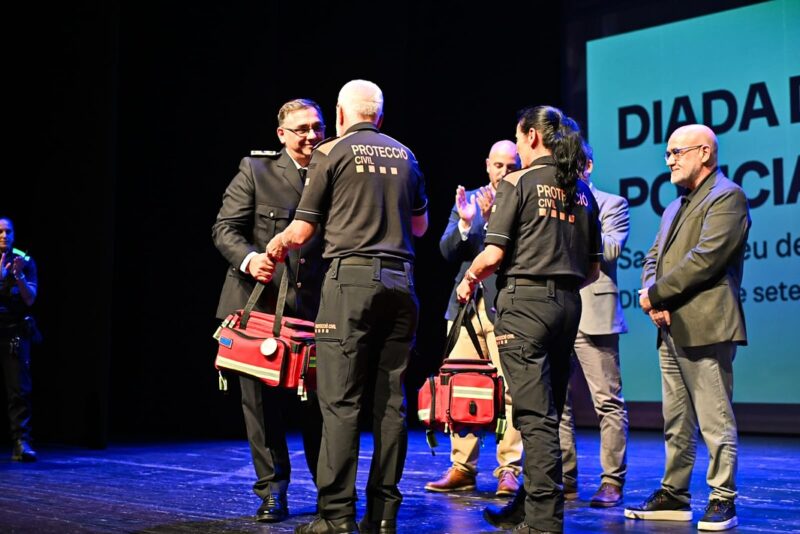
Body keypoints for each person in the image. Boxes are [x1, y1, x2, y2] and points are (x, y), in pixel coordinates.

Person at [267, 79, 428, 534]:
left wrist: (274, 246)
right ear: (378, 115)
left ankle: (336, 517)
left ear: (341, 114)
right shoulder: (407, 155)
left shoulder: (331, 153)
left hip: (350, 282)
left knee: (339, 403)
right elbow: (420, 225)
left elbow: (301, 231)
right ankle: (383, 516)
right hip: (402, 282)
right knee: (391, 406)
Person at [457, 106, 601, 533]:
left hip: (525, 307)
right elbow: (592, 269)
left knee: (534, 419)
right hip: (567, 307)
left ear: (533, 136)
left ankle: (543, 522)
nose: (518, 146)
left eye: (519, 139)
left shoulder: (518, 182)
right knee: (547, 414)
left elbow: (494, 253)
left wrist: (469, 278)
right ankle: (524, 507)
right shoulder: (582, 190)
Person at [624, 124, 750, 532]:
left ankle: (722, 497)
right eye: (667, 153)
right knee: (675, 418)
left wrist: (657, 296)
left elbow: (705, 260)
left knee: (714, 416)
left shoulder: (727, 196)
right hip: (670, 325)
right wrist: (652, 297)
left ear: (706, 154)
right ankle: (674, 494)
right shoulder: (674, 207)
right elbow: (653, 258)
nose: (670, 160)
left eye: (678, 152)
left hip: (707, 323)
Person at [211, 99, 326, 523]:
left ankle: (327, 492)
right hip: (260, 309)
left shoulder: (332, 170)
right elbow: (225, 228)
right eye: (301, 129)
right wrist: (249, 258)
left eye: (317, 127)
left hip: (315, 310)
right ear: (282, 134)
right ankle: (272, 491)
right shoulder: (256, 170)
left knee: (320, 407)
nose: (311, 135)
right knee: (260, 408)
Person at [425, 140, 523, 497]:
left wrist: (495, 218)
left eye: (511, 166)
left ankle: (508, 469)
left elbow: (515, 252)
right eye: (498, 166)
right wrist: (466, 224)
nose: (504, 172)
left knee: (511, 392)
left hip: (506, 307)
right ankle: (462, 467)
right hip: (465, 307)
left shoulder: (523, 197)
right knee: (462, 385)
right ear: (487, 165)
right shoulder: (469, 199)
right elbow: (447, 250)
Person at [557, 141, 629, 507]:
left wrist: (583, 217)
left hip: (595, 316)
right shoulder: (554, 202)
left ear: (588, 166)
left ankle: (611, 482)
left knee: (607, 403)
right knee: (559, 404)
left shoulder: (612, 203)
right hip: (558, 312)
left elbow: (613, 248)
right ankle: (566, 479)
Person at [0, 217, 38, 462]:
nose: (3, 235)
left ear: (14, 234)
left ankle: (21, 443)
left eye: (7, 231)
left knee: (18, 391)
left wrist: (18, 276)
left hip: (13, 331)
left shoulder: (24, 261)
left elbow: (30, 299)